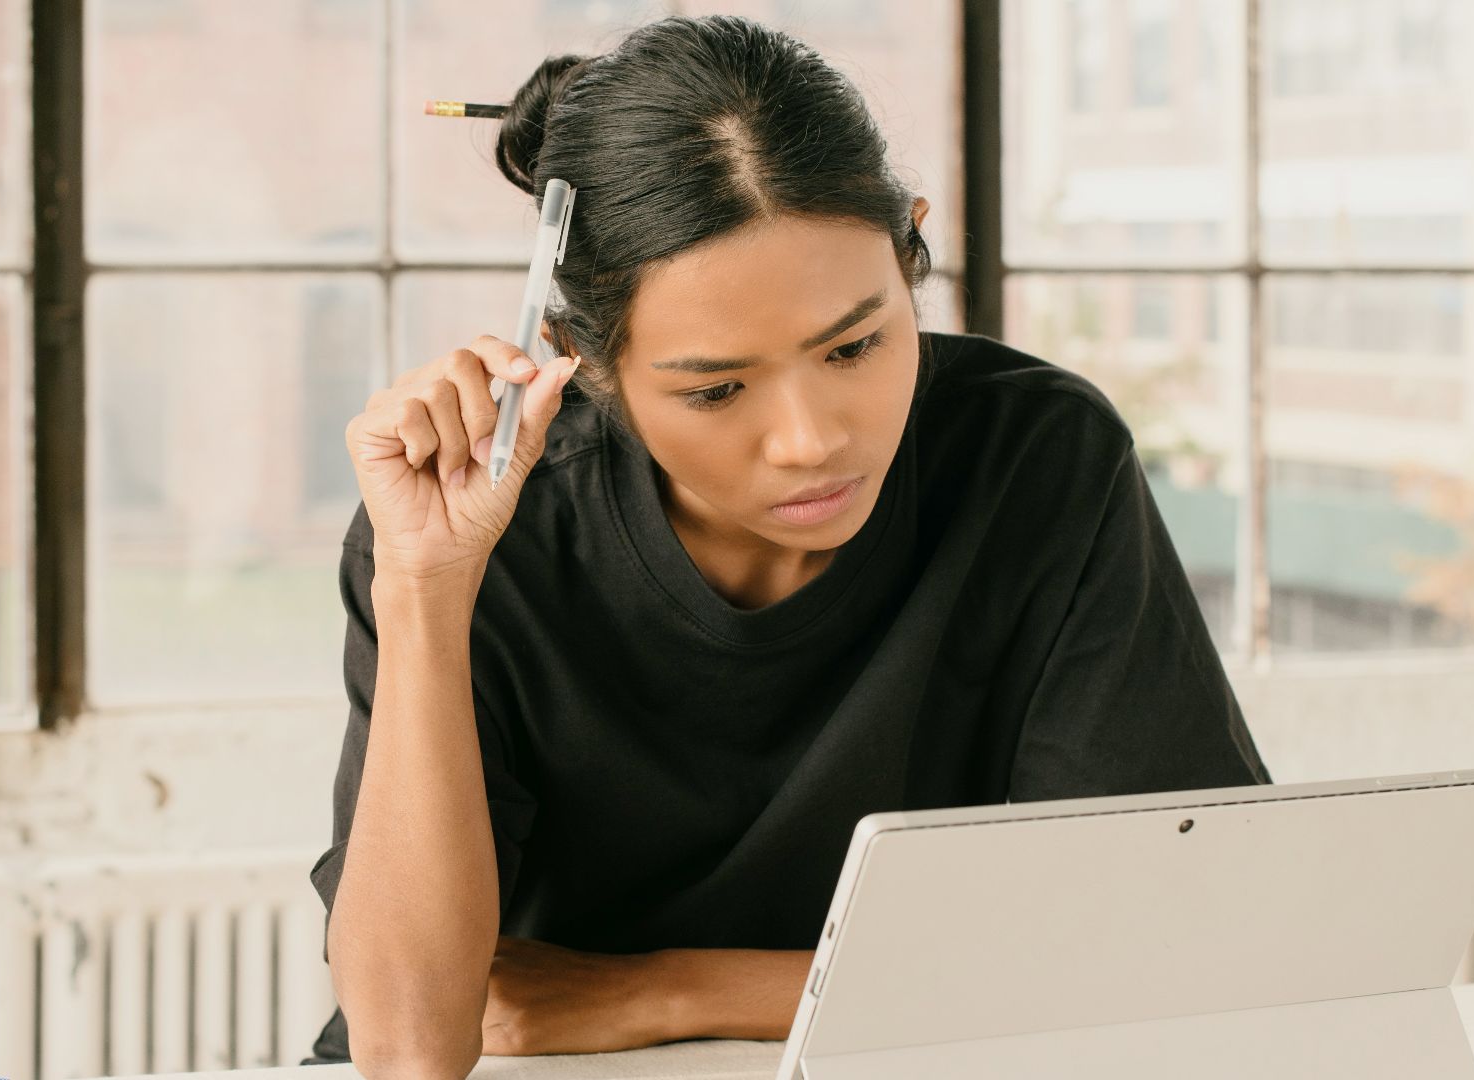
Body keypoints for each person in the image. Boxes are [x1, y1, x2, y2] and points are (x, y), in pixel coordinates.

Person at [307, 14, 1271, 1075]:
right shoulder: (475, 522)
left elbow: (1180, 941)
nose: (812, 441)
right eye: (716, 388)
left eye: (856, 344)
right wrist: (423, 588)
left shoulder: (1035, 457)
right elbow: (407, 1047)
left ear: (912, 251)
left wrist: (662, 990)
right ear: (582, 358)